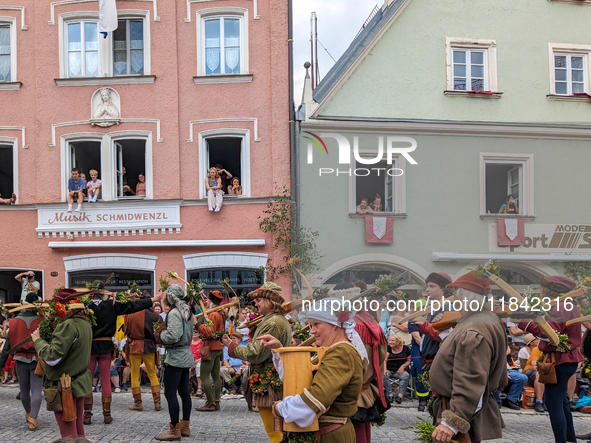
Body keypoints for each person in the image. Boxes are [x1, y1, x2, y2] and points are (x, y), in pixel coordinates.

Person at [259, 297, 366, 443]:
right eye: (310, 325)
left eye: (316, 324)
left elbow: (317, 398)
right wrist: (278, 349)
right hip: (323, 433)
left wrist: (281, 408)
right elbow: (298, 378)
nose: (312, 331)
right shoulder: (329, 350)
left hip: (331, 436)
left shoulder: (342, 352)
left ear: (334, 324)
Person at [430, 271, 507, 443]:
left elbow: (471, 381)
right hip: (462, 410)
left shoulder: (474, 329)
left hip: (463, 414)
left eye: (455, 294)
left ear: (464, 296)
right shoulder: (482, 319)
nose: (453, 299)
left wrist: (452, 421)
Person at [84, 281, 163, 425]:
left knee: (88, 381)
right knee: (106, 379)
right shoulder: (112, 305)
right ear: (104, 292)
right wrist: (153, 299)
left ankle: (87, 416)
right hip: (107, 345)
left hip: (91, 346)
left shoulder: (84, 306)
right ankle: (106, 415)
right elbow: (132, 306)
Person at [221, 282, 291, 443]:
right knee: (278, 430)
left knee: (275, 432)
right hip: (270, 377)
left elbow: (256, 354)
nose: (255, 303)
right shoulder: (273, 319)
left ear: (269, 300)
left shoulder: (272, 322)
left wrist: (230, 345)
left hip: (269, 381)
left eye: (259, 300)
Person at [518, 276, 582, 443]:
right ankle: (570, 440)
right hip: (564, 359)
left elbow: (550, 334)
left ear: (549, 290)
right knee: (560, 403)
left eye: (542, 288)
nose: (541, 291)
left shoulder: (560, 306)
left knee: (553, 405)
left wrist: (524, 322)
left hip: (559, 360)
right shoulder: (567, 305)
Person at [31, 289, 94, 439]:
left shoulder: (68, 326)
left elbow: (53, 357)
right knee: (78, 432)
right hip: (77, 382)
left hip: (65, 386)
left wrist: (38, 340)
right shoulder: (85, 323)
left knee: (68, 435)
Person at [153, 284, 194, 441]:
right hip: (185, 355)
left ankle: (175, 430)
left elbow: (174, 336)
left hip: (176, 356)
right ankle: (185, 427)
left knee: (170, 393)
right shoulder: (187, 311)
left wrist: (160, 335)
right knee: (184, 392)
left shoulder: (176, 313)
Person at [0, 293, 44, 430]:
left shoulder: (12, 322)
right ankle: (33, 419)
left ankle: (29, 413)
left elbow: (7, 346)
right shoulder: (43, 320)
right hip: (38, 358)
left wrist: (1, 364)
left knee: (24, 390)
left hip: (19, 359)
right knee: (37, 390)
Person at [123, 290, 162, 412]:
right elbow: (160, 334)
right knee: (152, 373)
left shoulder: (130, 315)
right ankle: (157, 403)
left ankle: (138, 403)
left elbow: (126, 332)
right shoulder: (156, 316)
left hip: (135, 346)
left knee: (135, 374)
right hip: (150, 346)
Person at [195, 290, 225, 412]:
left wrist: (197, 324)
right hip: (218, 347)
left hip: (210, 347)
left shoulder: (213, 315)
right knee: (216, 375)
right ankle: (216, 401)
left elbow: (209, 332)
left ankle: (210, 402)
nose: (205, 302)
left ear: (212, 301)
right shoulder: (220, 314)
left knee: (204, 375)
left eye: (207, 300)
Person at [383, 333, 411, 405]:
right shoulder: (388, 348)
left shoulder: (405, 348)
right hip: (389, 369)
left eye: (393, 340)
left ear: (398, 341)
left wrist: (403, 366)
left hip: (399, 370)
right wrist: (385, 370)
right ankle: (390, 394)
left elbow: (409, 360)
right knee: (384, 375)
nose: (391, 342)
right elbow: (384, 360)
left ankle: (400, 396)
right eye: (390, 340)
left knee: (406, 376)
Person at [520, 333, 545, 413]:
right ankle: (539, 402)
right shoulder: (536, 349)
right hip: (531, 371)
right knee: (540, 374)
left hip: (546, 370)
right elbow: (535, 367)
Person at [190, 329, 203, 398]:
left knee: (199, 366)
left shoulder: (202, 343)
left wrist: (197, 360)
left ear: (199, 334)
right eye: (192, 331)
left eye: (195, 332)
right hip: (189, 360)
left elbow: (204, 355)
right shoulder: (188, 342)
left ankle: (199, 387)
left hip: (199, 360)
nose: (193, 333)